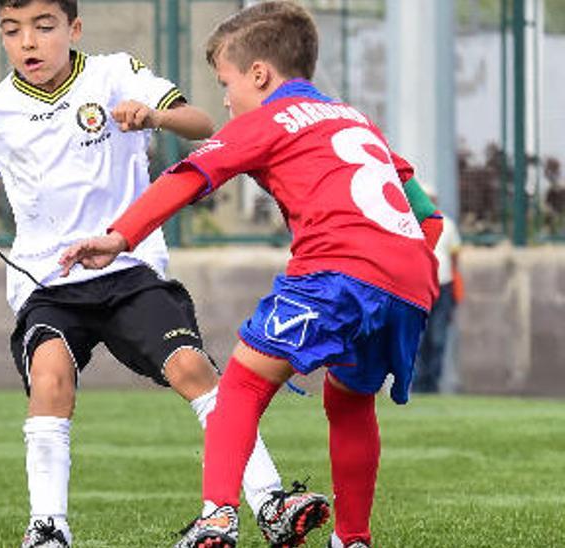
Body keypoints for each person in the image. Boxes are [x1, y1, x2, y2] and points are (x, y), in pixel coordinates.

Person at [0, 0, 327, 545]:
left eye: (44, 27)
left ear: (73, 29)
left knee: (193, 368)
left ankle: (269, 500)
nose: (29, 42)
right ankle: (48, 527)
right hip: (48, 283)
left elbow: (202, 123)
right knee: (50, 379)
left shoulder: (115, 73)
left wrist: (155, 116)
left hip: (128, 268)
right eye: (12, 30)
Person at [57, 2, 445, 546]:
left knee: (240, 384)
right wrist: (395, 268)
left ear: (259, 74)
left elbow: (188, 175)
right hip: (411, 281)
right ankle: (353, 539)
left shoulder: (267, 120)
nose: (225, 98)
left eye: (226, 81)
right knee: (350, 399)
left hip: (335, 272)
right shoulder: (353, 118)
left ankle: (218, 516)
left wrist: (120, 236)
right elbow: (428, 213)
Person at [413, 196, 462, 394]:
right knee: (419, 338)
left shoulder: (447, 224)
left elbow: (455, 255)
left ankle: (432, 383)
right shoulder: (412, 225)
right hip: (420, 286)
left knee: (438, 337)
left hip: (443, 285)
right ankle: (417, 383)